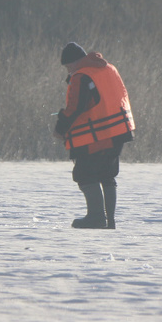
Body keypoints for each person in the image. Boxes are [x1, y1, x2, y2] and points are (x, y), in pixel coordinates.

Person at [53, 42, 135, 229]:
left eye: (68, 66)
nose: (68, 71)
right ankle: (109, 220)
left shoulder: (81, 76)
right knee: (107, 174)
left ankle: (96, 218)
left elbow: (75, 108)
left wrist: (60, 128)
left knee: (85, 173)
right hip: (118, 132)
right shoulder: (109, 69)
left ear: (75, 62)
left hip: (97, 135)